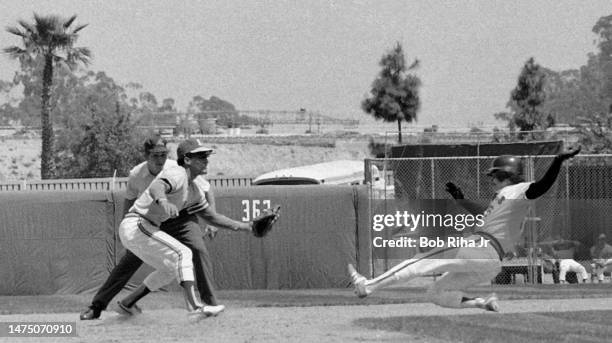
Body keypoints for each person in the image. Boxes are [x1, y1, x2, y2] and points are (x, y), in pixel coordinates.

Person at [348, 146, 581, 311]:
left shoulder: (520, 190)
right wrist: (461, 199)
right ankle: (482, 303)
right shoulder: (505, 198)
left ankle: (367, 286)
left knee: (420, 260)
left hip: (480, 248)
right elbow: (483, 215)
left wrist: (558, 161)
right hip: (490, 263)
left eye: (495, 175)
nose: (491, 179)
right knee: (436, 293)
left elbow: (541, 186)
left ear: (506, 174)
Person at [80, 135, 221, 320]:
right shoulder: (137, 174)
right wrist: (126, 229)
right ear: (146, 156)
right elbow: (130, 200)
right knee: (128, 263)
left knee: (198, 250)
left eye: (163, 154)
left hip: (179, 218)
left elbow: (205, 189)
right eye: (155, 155)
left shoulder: (177, 168)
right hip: (148, 221)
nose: (160, 159)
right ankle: (97, 306)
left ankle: (210, 303)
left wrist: (211, 220)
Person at [116, 138, 255, 320]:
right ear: (187, 160)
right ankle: (194, 306)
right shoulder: (178, 173)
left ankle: (127, 303)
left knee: (170, 268)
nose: (206, 160)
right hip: (136, 224)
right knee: (183, 253)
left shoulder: (195, 190)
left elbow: (213, 217)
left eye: (206, 156)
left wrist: (248, 226)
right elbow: (157, 187)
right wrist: (164, 201)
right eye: (201, 156)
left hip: (144, 229)